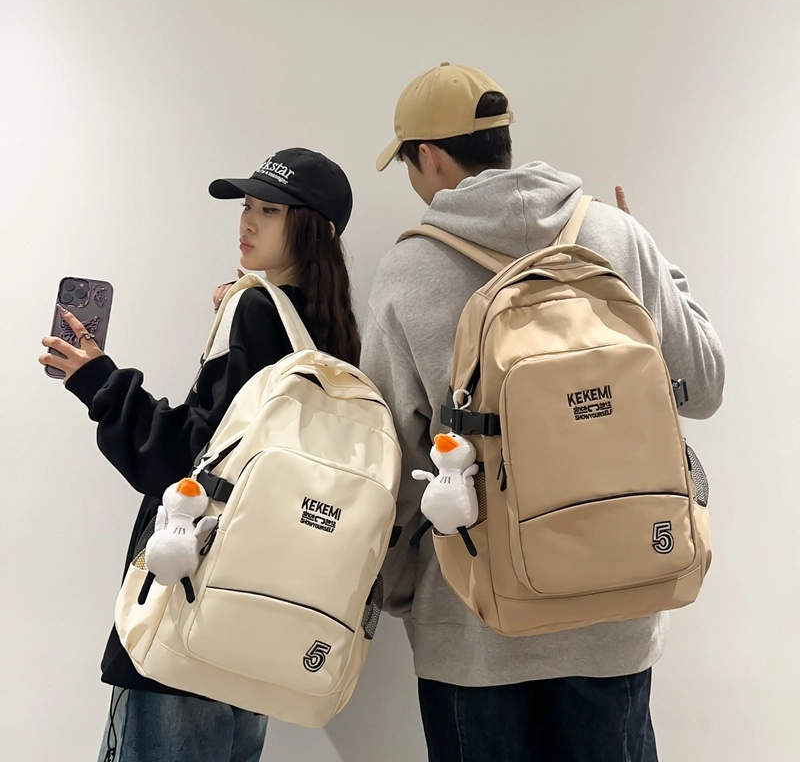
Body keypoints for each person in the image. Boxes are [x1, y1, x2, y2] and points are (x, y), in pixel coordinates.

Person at [362, 63, 725, 762]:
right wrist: (657, 261)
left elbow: (390, 459)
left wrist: (404, 592)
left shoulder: (408, 271)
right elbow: (703, 384)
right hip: (617, 603)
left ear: (428, 155)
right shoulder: (616, 235)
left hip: (473, 623)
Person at [39, 147, 359, 762]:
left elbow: (184, 465)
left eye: (270, 210)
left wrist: (98, 380)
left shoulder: (254, 308)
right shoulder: (331, 332)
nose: (248, 222)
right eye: (247, 206)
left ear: (315, 229)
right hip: (259, 617)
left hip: (191, 600)